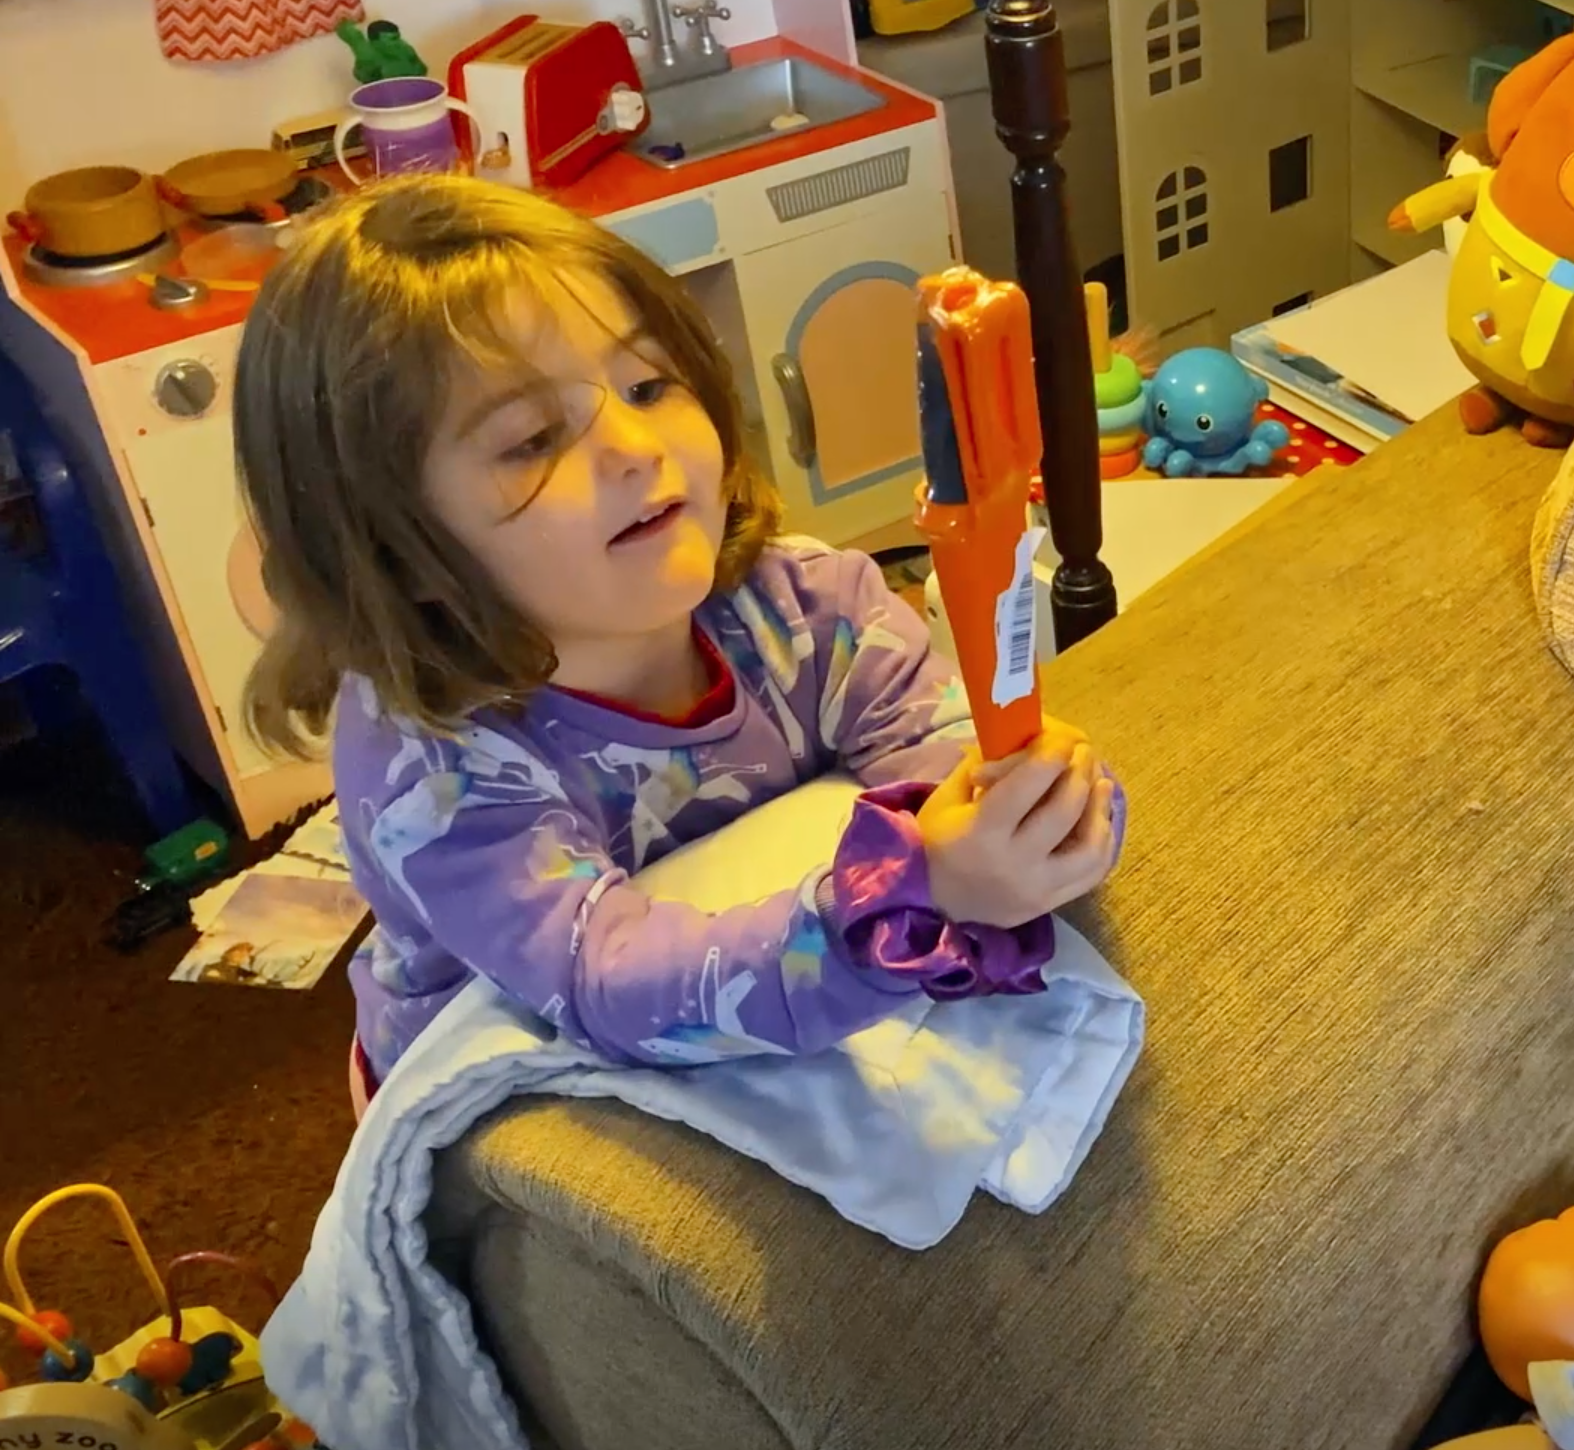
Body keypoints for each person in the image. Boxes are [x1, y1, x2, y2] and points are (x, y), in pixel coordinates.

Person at [232, 174, 1121, 1093]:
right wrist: (916, 896)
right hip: (510, 1068)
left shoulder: (808, 602)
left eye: (648, 383)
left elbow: (944, 750)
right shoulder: (436, 768)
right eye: (533, 439)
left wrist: (1034, 819)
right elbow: (608, 985)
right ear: (392, 545)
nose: (634, 445)